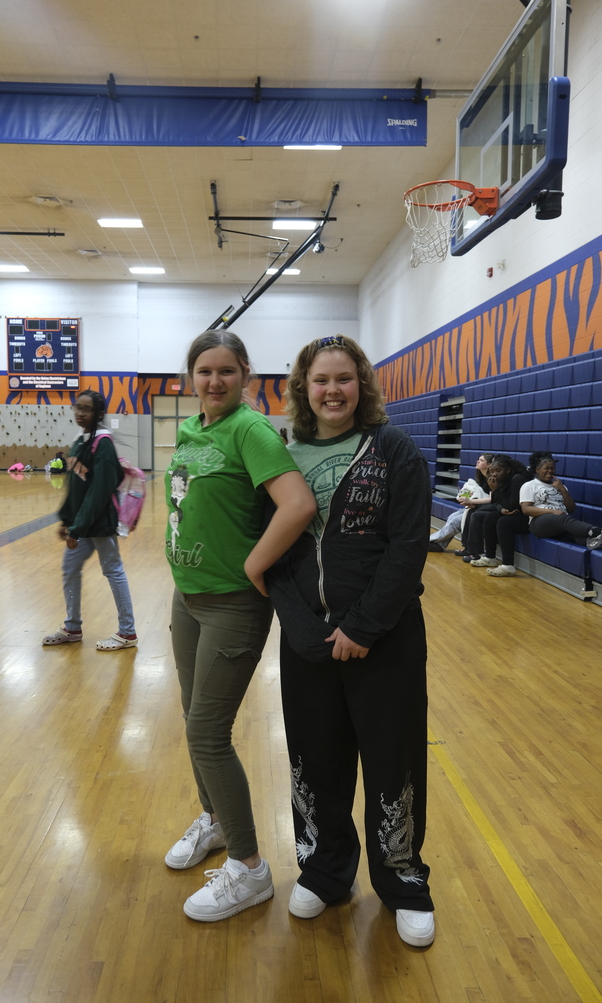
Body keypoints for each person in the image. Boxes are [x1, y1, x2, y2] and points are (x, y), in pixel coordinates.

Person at [267, 334, 435, 948]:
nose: (332, 390)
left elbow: (407, 546)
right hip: (308, 643)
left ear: (361, 384)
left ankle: (404, 880)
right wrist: (307, 630)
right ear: (302, 389)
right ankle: (325, 870)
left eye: (344, 378)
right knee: (314, 760)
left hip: (385, 641)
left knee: (394, 760)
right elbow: (274, 555)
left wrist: (362, 626)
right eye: (320, 380)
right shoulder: (281, 455)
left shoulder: (394, 450)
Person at [164, 330, 315, 923]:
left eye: (227, 371)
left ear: (246, 375)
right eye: (204, 371)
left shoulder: (249, 429)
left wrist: (256, 562)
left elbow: (297, 504)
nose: (215, 381)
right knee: (191, 718)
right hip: (188, 598)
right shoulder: (192, 428)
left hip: (232, 604)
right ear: (191, 377)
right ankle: (218, 822)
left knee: (207, 733)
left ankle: (250, 869)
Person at [42, 390, 138, 651]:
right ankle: (72, 626)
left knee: (113, 572)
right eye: (77, 407)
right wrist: (66, 520)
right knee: (69, 568)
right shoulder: (79, 441)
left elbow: (99, 492)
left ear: (99, 414)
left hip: (100, 524)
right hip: (81, 525)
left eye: (87, 409)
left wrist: (78, 528)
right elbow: (75, 487)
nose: (80, 413)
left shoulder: (103, 444)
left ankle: (127, 632)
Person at [466, 454, 530, 576]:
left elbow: (513, 505)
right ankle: (490, 557)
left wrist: (496, 491)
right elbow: (496, 502)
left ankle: (508, 565)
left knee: (503, 522)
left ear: (508, 470)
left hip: (525, 516)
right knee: (490, 517)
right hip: (511, 513)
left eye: (498, 471)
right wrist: (501, 510)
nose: (494, 474)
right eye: (492, 471)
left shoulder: (517, 479)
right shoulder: (500, 479)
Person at [520, 455, 602, 549]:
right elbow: (526, 509)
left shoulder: (560, 486)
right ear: (537, 470)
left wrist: (563, 490)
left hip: (560, 524)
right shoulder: (529, 485)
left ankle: (592, 541)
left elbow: (571, 509)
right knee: (563, 520)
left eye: (552, 468)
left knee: (571, 531)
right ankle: (597, 531)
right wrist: (552, 512)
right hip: (539, 523)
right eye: (546, 468)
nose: (550, 471)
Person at [428, 452, 493, 552]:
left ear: (489, 465)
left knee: (455, 521)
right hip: (477, 506)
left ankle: (428, 541)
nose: (477, 461)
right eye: (478, 459)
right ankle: (440, 545)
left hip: (485, 508)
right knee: (452, 517)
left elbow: (492, 499)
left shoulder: (492, 478)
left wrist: (471, 501)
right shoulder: (481, 477)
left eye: (481, 460)